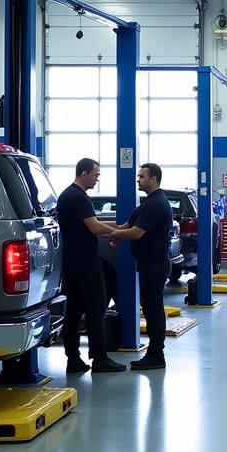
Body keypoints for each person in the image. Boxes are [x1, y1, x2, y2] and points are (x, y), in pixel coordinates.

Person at [56, 158, 127, 375]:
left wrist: (119, 225)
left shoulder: (68, 195)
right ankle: (100, 359)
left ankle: (74, 358)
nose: (97, 179)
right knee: (96, 309)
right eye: (96, 175)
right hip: (86, 263)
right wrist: (121, 232)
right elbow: (95, 227)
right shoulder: (78, 197)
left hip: (72, 262)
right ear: (84, 172)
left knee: (75, 311)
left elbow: (92, 225)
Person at [113, 163, 173, 371]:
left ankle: (157, 355)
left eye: (142, 176)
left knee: (153, 309)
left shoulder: (157, 204)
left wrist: (113, 234)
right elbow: (126, 226)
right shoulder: (148, 203)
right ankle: (154, 354)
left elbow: (136, 232)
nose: (138, 179)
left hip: (154, 263)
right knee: (149, 307)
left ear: (154, 179)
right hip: (148, 262)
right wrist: (101, 229)